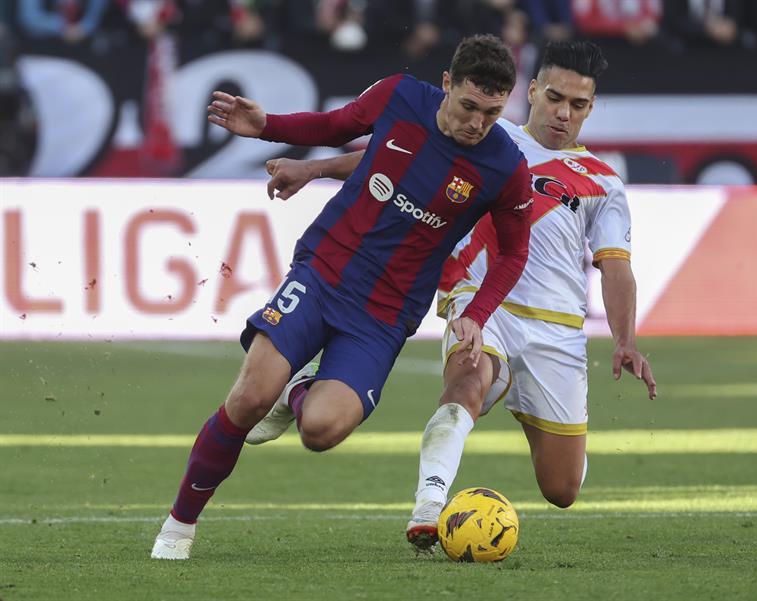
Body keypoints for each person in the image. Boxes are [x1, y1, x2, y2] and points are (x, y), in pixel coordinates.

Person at [261, 40, 657, 553]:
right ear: (532, 91)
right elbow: (388, 159)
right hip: (482, 303)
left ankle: (516, 399)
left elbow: (616, 267)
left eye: (578, 104)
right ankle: (429, 508)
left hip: (556, 331)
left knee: (562, 489)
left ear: (590, 107)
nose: (564, 113)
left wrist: (625, 340)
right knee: (466, 385)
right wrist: (312, 169)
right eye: (555, 97)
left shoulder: (604, 183)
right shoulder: (490, 138)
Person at [150, 33, 534, 560]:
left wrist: (477, 314)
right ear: (447, 83)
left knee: (321, 430)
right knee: (248, 398)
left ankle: (297, 392)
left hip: (385, 314)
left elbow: (514, 253)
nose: (477, 123)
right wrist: (267, 127)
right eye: (469, 106)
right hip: (325, 272)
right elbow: (335, 127)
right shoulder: (400, 95)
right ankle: (178, 527)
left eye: (491, 113)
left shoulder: (505, 167)